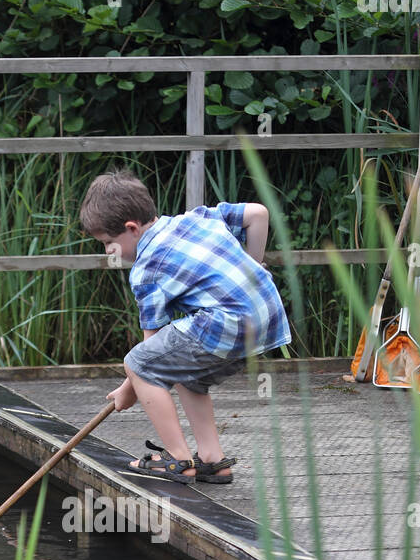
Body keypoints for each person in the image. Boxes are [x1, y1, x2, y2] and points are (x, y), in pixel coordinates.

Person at [79, 166, 291, 484]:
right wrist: (253, 265)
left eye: (108, 242)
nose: (108, 251)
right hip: (267, 314)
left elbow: (149, 352)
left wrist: (130, 387)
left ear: (132, 228)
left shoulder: (146, 269)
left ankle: (178, 459)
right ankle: (213, 460)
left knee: (138, 363)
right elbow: (258, 214)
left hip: (228, 321)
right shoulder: (198, 217)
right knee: (185, 373)